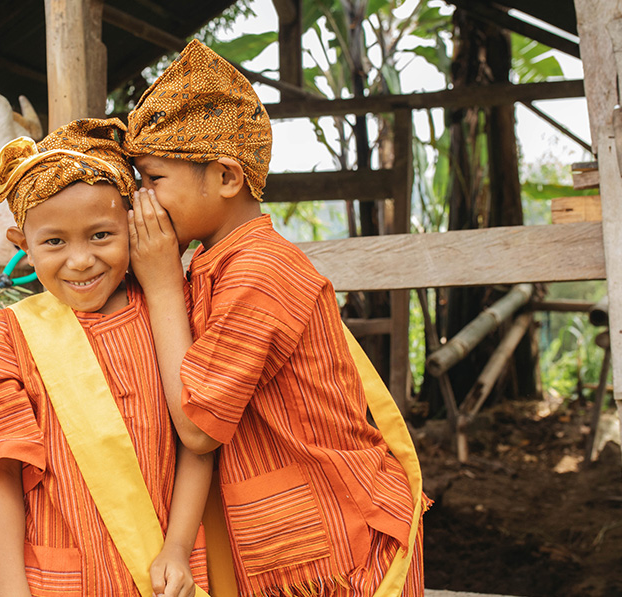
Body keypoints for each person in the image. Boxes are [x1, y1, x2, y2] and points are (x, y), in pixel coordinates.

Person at [124, 39, 428, 597]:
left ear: (226, 178)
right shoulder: (215, 265)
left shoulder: (257, 272)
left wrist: (163, 285)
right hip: (293, 541)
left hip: (336, 552)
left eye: (153, 179)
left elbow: (196, 427)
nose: (142, 201)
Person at [0, 117, 213, 597]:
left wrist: (178, 546)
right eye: (54, 241)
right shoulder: (12, 337)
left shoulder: (168, 315)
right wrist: (13, 590)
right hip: (59, 579)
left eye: (101, 235)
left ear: (133, 226)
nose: (80, 261)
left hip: (167, 571)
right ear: (24, 248)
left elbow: (200, 438)